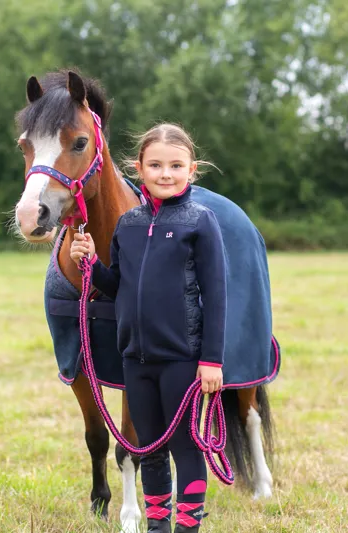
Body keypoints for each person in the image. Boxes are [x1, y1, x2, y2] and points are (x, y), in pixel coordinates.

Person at [70, 123, 226, 533]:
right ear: (139, 169)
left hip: (182, 360)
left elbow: (217, 295)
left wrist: (211, 360)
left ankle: (187, 527)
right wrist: (91, 265)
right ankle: (157, 526)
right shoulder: (129, 224)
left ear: (192, 170)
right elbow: (116, 285)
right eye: (155, 165)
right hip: (135, 361)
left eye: (176, 165)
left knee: (185, 448)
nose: (165, 173)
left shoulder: (201, 222)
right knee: (148, 449)